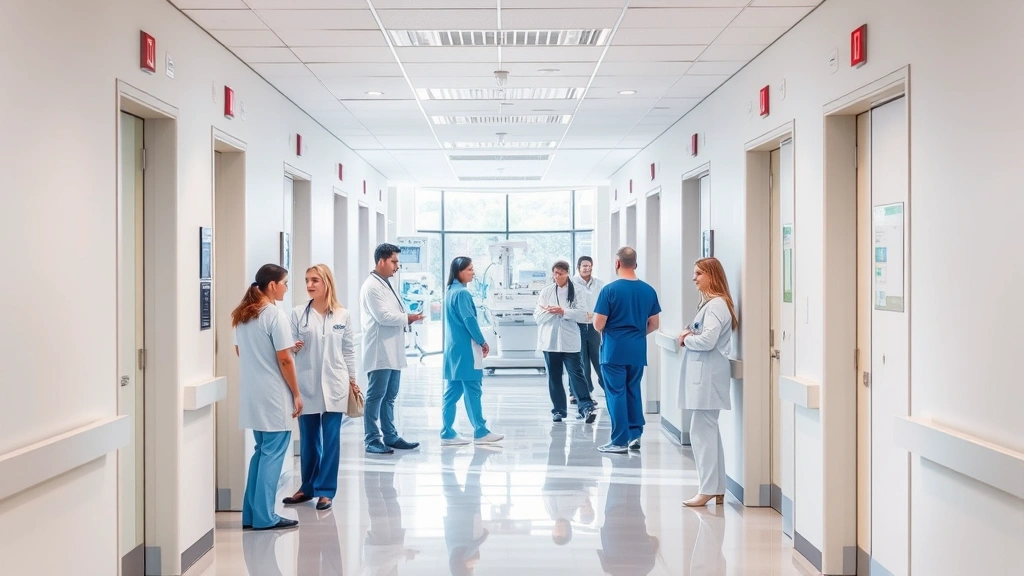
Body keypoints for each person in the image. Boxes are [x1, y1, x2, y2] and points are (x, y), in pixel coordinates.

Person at [232, 263, 303, 531]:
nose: (286, 288)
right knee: (272, 455)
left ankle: (251, 515)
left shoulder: (243, 314)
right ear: (272, 285)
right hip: (273, 395)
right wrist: (296, 394)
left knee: (261, 452)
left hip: (253, 394)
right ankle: (265, 517)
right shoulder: (274, 314)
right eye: (285, 283)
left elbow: (241, 351)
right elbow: (284, 359)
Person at [283, 264, 355, 512]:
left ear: (327, 282)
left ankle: (325, 490)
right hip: (307, 383)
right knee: (309, 439)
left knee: (332, 439)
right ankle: (307, 488)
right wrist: (293, 347)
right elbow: (287, 349)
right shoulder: (297, 313)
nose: (309, 285)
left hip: (336, 383)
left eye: (315, 280)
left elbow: (348, 350)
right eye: (307, 280)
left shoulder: (342, 315)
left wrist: (353, 380)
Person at [678, 257, 738, 507]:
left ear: (712, 276)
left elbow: (707, 341)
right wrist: (691, 333)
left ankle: (708, 489)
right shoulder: (714, 304)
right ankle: (716, 488)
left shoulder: (716, 306)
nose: (694, 278)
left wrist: (686, 338)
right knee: (706, 432)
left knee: (702, 434)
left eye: (698, 274)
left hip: (708, 377)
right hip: (708, 375)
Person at [593, 247, 661, 454]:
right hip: (637, 350)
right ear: (635, 264)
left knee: (616, 393)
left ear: (617, 263)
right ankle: (635, 435)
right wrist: (636, 334)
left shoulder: (609, 290)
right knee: (633, 390)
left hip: (614, 350)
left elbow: (598, 324)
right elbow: (654, 324)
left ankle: (619, 440)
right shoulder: (648, 291)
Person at [360, 243, 425, 454]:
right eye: (394, 261)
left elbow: (394, 312)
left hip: (393, 350)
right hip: (380, 351)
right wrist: (409, 318)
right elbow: (383, 317)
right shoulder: (371, 286)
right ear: (381, 261)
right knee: (375, 396)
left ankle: (390, 436)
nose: (397, 266)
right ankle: (372, 439)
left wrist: (407, 317)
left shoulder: (386, 283)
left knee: (390, 396)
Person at [441, 256, 504, 446]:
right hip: (466, 350)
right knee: (473, 389)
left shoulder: (450, 292)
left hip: (454, 350)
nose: (473, 272)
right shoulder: (462, 294)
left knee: (452, 391)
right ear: (459, 272)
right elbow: (469, 320)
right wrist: (482, 341)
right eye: (469, 269)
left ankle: (447, 432)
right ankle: (480, 430)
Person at [535, 260, 597, 424]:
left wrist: (563, 311)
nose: (557, 276)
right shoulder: (546, 292)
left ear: (567, 273)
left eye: (561, 273)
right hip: (550, 341)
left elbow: (583, 315)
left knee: (577, 374)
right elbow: (538, 317)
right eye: (555, 273)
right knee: (554, 377)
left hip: (570, 341)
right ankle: (558, 411)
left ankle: (586, 408)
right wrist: (552, 312)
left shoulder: (578, 291)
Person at [572, 256, 607, 399]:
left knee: (599, 358)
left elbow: (604, 303)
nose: (587, 268)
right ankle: (581, 393)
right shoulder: (572, 283)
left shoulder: (600, 284)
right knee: (581, 361)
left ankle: (607, 388)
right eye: (584, 266)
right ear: (578, 267)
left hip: (594, 325)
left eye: (589, 266)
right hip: (577, 325)